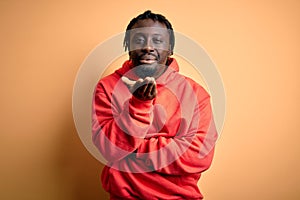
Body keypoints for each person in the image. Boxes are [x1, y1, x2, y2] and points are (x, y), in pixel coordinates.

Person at [92, 10, 218, 200]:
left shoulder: (195, 93)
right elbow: (108, 148)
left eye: (158, 40)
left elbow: (199, 155)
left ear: (171, 49)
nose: (148, 47)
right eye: (139, 40)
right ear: (128, 46)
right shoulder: (107, 87)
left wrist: (133, 149)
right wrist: (139, 105)